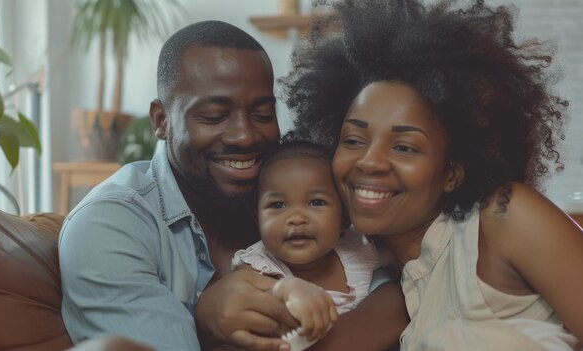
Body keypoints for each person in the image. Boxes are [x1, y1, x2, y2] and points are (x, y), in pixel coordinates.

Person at [59, 20, 407, 351]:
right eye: (213, 116)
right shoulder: (109, 226)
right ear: (161, 120)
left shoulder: (280, 192)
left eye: (261, 115)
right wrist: (204, 319)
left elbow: (392, 295)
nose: (244, 136)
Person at [282, 0, 583, 350]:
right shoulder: (372, 274)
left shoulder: (503, 218)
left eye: (404, 147)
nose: (369, 161)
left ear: (452, 172)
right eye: (353, 139)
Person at [231, 139, 379, 343]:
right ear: (258, 219)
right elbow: (241, 293)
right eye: (277, 205)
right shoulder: (259, 265)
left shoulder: (358, 250)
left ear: (344, 217)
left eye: (316, 202)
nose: (296, 218)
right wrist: (283, 290)